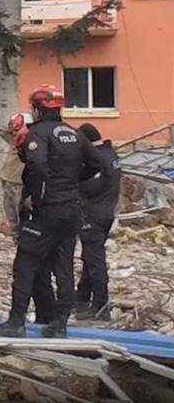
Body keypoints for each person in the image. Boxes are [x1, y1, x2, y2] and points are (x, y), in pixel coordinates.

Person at [0, 86, 104, 338]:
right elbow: (97, 163)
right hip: (71, 209)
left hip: (47, 211)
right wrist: (72, 182)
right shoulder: (75, 135)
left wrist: (37, 198)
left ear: (37, 109)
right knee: (64, 267)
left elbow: (37, 166)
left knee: (25, 265)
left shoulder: (37, 134)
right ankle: (59, 324)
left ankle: (16, 322)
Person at [76, 123, 121, 321]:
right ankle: (82, 298)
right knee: (89, 258)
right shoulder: (111, 154)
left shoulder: (98, 159)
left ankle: (101, 305)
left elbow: (92, 187)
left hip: (93, 215)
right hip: (106, 213)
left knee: (95, 261)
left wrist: (75, 179)